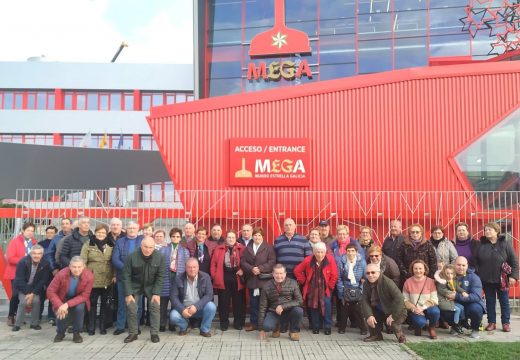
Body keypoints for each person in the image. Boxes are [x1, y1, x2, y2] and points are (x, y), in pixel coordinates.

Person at [475, 222, 518, 333]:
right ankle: (491, 322)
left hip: (502, 279)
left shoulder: (505, 243)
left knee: (504, 301)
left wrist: (513, 276)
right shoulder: (481, 244)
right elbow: (476, 261)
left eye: (490, 229)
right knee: (490, 301)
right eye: (486, 230)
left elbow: (514, 261)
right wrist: (479, 273)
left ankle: (505, 323)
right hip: (486, 279)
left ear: (497, 231)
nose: (487, 231)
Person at [121, 236, 165, 343]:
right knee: (131, 307)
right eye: (145, 247)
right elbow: (126, 276)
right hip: (135, 285)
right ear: (141, 246)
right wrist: (128, 293)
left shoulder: (160, 257)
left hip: (151, 286)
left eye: (151, 247)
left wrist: (156, 293)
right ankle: (133, 333)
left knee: (155, 306)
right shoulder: (132, 256)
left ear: (154, 247)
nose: (148, 250)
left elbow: (160, 276)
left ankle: (154, 333)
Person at [47, 256, 94, 344]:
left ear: (84, 266)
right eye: (74, 267)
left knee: (79, 309)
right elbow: (50, 291)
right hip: (62, 297)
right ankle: (60, 333)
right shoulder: (61, 274)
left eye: (79, 267)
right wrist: (60, 304)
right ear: (69, 266)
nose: (77, 269)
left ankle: (77, 333)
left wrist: (67, 304)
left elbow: (85, 296)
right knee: (61, 311)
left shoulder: (89, 276)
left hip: (79, 298)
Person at [294, 242, 338, 335]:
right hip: (312, 288)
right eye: (317, 252)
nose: (320, 254)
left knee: (327, 305)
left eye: (322, 252)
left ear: (325, 252)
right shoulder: (308, 260)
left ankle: (327, 326)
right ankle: (316, 326)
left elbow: (334, 275)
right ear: (314, 252)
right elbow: (297, 270)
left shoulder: (330, 259)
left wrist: (330, 287)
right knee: (313, 307)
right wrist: (304, 281)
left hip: (325, 289)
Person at [80, 223, 114, 335]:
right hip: (92, 279)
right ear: (95, 232)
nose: (101, 234)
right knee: (92, 304)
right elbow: (82, 260)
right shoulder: (88, 244)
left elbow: (113, 261)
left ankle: (102, 326)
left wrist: (114, 275)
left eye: (103, 232)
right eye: (99, 232)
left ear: (106, 233)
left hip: (106, 279)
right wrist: (85, 275)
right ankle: (91, 327)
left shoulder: (111, 245)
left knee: (104, 304)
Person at [169, 257, 217, 337]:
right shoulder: (178, 278)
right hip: (184, 309)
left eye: (194, 267)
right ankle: (184, 327)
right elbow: (173, 297)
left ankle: (204, 329)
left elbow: (209, 295)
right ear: (186, 268)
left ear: (198, 267)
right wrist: (182, 309)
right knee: (173, 316)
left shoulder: (205, 277)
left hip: (199, 308)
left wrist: (196, 306)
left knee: (211, 307)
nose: (192, 269)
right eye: (189, 267)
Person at [240, 227, 276, 331]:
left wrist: (260, 268)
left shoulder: (269, 247)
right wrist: (252, 269)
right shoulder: (248, 247)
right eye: (255, 235)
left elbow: (272, 261)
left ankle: (264, 323)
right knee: (253, 303)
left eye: (259, 235)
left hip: (264, 281)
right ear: (252, 236)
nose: (257, 237)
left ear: (262, 236)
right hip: (252, 280)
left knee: (264, 303)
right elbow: (243, 262)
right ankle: (254, 323)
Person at [360, 263, 407, 343]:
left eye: (373, 272)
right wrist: (369, 315)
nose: (370, 275)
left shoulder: (387, 282)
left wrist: (393, 316)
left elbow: (399, 298)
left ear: (379, 272)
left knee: (393, 322)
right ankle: (376, 335)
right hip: (379, 310)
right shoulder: (366, 284)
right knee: (368, 317)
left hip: (395, 310)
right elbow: (364, 301)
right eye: (368, 273)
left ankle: (400, 336)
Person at [442, 256, 485, 339]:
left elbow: (476, 296)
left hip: (470, 304)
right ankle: (455, 326)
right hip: (454, 303)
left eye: (463, 265)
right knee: (446, 309)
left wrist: (457, 296)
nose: (461, 267)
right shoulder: (447, 275)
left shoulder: (474, 277)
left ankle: (475, 329)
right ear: (454, 264)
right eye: (458, 265)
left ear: (467, 265)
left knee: (476, 309)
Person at [210, 229, 246, 330]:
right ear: (226, 238)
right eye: (229, 237)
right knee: (223, 302)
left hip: (237, 278)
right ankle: (224, 323)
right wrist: (215, 276)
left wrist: (242, 270)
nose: (231, 239)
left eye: (233, 237)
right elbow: (213, 264)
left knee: (238, 302)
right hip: (223, 278)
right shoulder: (219, 248)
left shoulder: (242, 248)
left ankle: (238, 322)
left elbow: (247, 262)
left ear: (236, 239)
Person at [258, 264, 304, 341]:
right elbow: (262, 307)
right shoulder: (266, 286)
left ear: (285, 273)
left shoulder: (293, 283)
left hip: (289, 311)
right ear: (273, 274)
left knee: (299, 311)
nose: (279, 276)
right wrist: (261, 329)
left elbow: (300, 301)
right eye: (276, 273)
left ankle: (293, 331)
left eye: (281, 273)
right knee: (266, 327)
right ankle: (276, 328)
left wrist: (283, 306)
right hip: (273, 312)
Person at [111, 221, 142, 335]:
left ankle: (135, 326)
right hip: (123, 277)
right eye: (130, 228)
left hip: (139, 277)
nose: (132, 230)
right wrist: (127, 269)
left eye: (134, 228)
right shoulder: (120, 242)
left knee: (137, 304)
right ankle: (120, 326)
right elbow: (115, 259)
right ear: (126, 229)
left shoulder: (142, 240)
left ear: (138, 229)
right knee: (122, 303)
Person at [329, 224, 363, 324]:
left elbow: (361, 259)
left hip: (353, 276)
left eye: (344, 234)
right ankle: (341, 321)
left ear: (348, 234)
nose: (342, 236)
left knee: (353, 298)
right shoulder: (334, 245)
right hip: (338, 275)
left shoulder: (355, 244)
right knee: (340, 299)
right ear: (337, 235)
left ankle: (354, 321)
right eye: (339, 234)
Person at [5, 222, 38, 327]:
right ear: (23, 231)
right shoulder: (14, 242)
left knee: (25, 296)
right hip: (15, 273)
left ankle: (20, 316)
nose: (30, 233)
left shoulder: (34, 243)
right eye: (28, 230)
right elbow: (10, 258)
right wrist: (26, 261)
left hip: (29, 274)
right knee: (15, 295)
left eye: (32, 231)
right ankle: (11, 316)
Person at [12, 245, 50, 331]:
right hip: (22, 287)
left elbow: (43, 281)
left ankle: (34, 323)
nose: (36, 255)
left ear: (42, 254)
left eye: (39, 253)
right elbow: (19, 280)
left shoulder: (45, 263)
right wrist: (28, 294)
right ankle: (17, 324)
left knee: (36, 301)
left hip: (35, 288)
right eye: (34, 253)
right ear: (30, 254)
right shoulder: (22, 262)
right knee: (23, 302)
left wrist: (32, 294)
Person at [158, 227, 190, 332]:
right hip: (165, 279)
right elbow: (159, 265)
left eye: (177, 236)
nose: (175, 238)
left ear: (181, 238)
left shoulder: (185, 251)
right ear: (170, 237)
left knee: (175, 303)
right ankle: (162, 324)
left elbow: (186, 267)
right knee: (163, 304)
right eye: (173, 236)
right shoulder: (163, 249)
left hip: (178, 280)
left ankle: (172, 324)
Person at [402, 259, 440, 339]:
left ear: (425, 269)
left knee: (435, 311)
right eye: (415, 268)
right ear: (412, 269)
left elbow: (434, 299)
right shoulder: (408, 282)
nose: (418, 271)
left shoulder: (431, 282)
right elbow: (405, 300)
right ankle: (418, 326)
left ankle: (431, 328)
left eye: (420, 268)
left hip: (427, 307)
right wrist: (414, 309)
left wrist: (422, 308)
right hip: (415, 309)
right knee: (420, 322)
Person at [335, 243, 367, 335]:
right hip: (346, 287)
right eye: (348, 251)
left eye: (353, 251)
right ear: (346, 251)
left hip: (357, 287)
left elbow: (365, 278)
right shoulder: (342, 261)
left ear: (356, 252)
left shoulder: (362, 262)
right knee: (345, 308)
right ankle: (342, 328)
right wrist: (341, 292)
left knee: (357, 309)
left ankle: (363, 328)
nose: (350, 253)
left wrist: (361, 290)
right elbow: (339, 278)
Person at [434, 264, 465, 335]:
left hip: (449, 300)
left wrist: (463, 292)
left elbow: (457, 288)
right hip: (443, 301)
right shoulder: (442, 281)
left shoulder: (453, 280)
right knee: (457, 310)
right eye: (447, 273)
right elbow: (442, 290)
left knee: (460, 309)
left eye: (451, 273)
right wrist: (452, 293)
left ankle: (459, 323)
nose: (449, 275)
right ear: (444, 273)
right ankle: (456, 325)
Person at [39, 225, 57, 323]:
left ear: (55, 234)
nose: (50, 234)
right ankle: (38, 315)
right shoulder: (41, 243)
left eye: (52, 233)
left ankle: (51, 315)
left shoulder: (57, 243)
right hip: (43, 272)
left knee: (52, 293)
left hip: (53, 272)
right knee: (41, 294)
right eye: (48, 232)